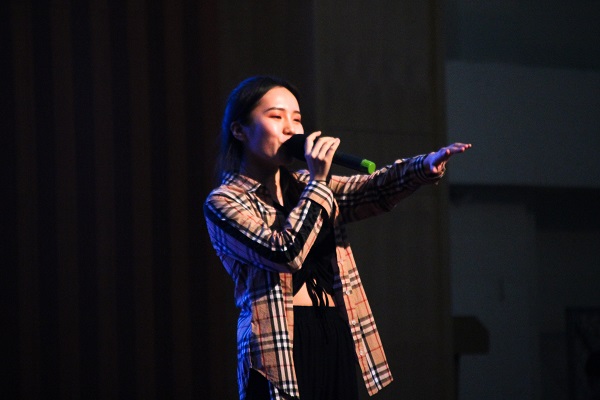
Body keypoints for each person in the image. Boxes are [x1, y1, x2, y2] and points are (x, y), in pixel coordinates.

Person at [203, 75, 471, 400]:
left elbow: (371, 190)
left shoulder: (306, 185)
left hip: (333, 328)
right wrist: (318, 183)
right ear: (239, 130)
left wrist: (423, 167)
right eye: (276, 116)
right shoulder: (225, 201)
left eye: (297, 119)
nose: (291, 129)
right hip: (279, 343)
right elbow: (285, 253)